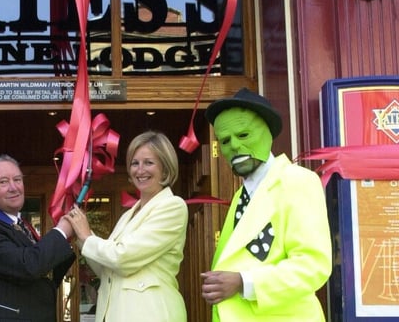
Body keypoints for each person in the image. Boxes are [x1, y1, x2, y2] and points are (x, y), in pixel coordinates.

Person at [200, 87, 332, 321]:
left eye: (243, 135)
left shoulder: (298, 181)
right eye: (225, 140)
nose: (234, 147)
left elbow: (313, 265)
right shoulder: (241, 195)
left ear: (267, 133)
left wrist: (243, 282)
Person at [64, 130, 188, 322]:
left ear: (165, 168)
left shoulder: (173, 206)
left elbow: (122, 258)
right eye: (134, 163)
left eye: (149, 162)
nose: (140, 170)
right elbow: (107, 269)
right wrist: (80, 237)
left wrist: (88, 236)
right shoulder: (128, 216)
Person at [0, 154, 76, 321]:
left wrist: (75, 238)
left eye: (17, 179)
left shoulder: (20, 223)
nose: (14, 187)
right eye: (3, 182)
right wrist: (61, 232)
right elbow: (28, 266)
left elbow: (44, 273)